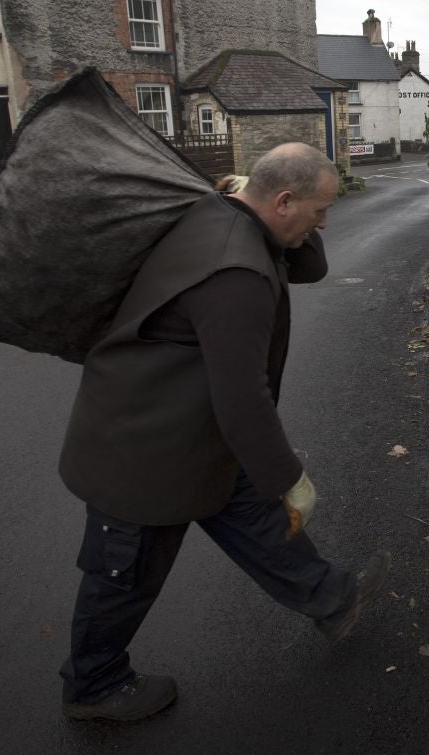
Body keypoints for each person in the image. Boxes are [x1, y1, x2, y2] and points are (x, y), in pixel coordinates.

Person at [57, 142, 390, 722]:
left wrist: (269, 208)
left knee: (253, 515)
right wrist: (291, 477)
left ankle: (331, 598)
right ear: (282, 201)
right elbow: (242, 400)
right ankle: (94, 684)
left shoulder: (222, 211)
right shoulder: (235, 273)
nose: (326, 222)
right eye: (318, 211)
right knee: (125, 571)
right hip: (143, 447)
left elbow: (312, 265)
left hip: (193, 433)